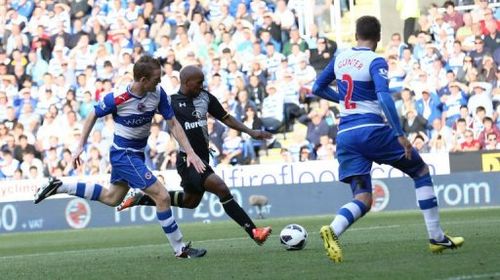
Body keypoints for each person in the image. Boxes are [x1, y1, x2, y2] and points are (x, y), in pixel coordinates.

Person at [312, 16, 464, 263]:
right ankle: (436, 237)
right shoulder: (375, 60)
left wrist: (343, 101)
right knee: (420, 170)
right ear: (379, 36)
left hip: (346, 136)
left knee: (363, 198)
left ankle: (333, 229)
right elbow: (383, 99)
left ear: (355, 34)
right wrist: (400, 134)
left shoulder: (340, 58)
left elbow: (316, 88)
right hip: (372, 130)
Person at [33, 55, 207, 259]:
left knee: (112, 197)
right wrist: (80, 145)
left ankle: (60, 186)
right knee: (162, 196)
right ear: (142, 80)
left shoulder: (158, 94)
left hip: (135, 154)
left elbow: (173, 124)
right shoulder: (118, 97)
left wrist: (191, 152)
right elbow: (92, 115)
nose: (159, 82)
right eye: (156, 79)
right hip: (124, 154)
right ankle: (180, 249)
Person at [117, 65, 273, 245]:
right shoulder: (170, 101)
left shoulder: (205, 97)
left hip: (203, 158)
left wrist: (250, 132)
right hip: (187, 160)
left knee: (190, 201)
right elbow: (144, 106)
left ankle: (143, 198)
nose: (202, 85)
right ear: (187, 82)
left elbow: (226, 117)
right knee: (221, 188)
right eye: (198, 82)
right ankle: (254, 231)